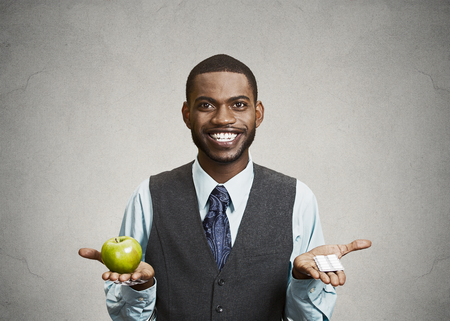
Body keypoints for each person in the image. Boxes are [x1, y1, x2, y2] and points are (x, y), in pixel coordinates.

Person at [79, 54, 371, 321]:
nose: (223, 118)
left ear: (257, 113)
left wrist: (302, 279)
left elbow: (308, 320)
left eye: (239, 104)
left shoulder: (298, 199)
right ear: (187, 114)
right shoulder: (148, 195)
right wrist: (140, 286)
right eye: (206, 105)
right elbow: (126, 318)